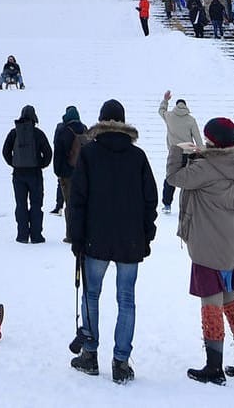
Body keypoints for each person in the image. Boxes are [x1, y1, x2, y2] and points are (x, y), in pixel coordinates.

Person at [66, 99, 159, 385]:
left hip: (96, 238)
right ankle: (121, 361)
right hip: (130, 240)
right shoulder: (137, 156)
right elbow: (150, 200)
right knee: (126, 300)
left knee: (91, 295)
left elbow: (77, 200)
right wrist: (146, 233)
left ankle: (90, 354)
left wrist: (77, 237)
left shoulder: (89, 154)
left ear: (101, 121)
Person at [169, 117, 234, 384]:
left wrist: (177, 150)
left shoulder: (207, 168)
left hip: (210, 244)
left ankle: (214, 366)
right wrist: (204, 154)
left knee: (211, 303)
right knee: (232, 299)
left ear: (214, 142)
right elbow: (216, 163)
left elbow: (175, 178)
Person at [1, 105, 53, 244]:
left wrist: (13, 163)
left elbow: (5, 151)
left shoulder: (14, 133)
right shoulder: (38, 133)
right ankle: (36, 236)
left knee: (21, 204)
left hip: (18, 174)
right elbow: (48, 153)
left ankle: (22, 235)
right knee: (36, 204)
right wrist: (40, 164)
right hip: (35, 174)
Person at [157, 91, 202, 215]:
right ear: (186, 106)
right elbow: (197, 137)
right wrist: (202, 151)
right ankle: (189, 205)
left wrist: (165, 100)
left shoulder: (169, 116)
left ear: (176, 106)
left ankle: (167, 204)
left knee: (170, 178)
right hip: (189, 154)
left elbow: (161, 110)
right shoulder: (191, 120)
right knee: (189, 180)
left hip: (174, 153)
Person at [51, 106, 84, 216]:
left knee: (70, 206)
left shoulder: (63, 131)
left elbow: (58, 153)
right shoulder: (85, 129)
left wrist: (58, 171)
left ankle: (71, 230)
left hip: (67, 173)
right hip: (83, 173)